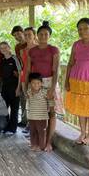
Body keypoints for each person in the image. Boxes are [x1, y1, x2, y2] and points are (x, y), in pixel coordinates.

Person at [25, 21, 63, 152]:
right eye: (40, 34)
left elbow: (56, 69)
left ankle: (48, 142)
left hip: (50, 82)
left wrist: (52, 88)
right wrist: (26, 86)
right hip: (36, 84)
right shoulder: (32, 51)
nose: (43, 36)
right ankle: (38, 140)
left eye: (46, 34)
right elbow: (28, 70)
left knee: (52, 113)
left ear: (49, 36)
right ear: (37, 36)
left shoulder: (54, 49)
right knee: (40, 112)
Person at [65, 18, 89, 145]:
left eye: (86, 28)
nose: (82, 31)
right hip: (76, 81)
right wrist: (66, 81)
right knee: (80, 107)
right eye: (80, 29)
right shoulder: (76, 44)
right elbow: (70, 63)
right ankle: (82, 133)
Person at [0, 42, 21, 134]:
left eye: (5, 47)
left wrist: (18, 88)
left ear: (9, 48)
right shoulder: (3, 60)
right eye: (1, 48)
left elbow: (20, 73)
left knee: (14, 109)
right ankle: (5, 126)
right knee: (4, 108)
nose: (3, 49)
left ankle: (13, 128)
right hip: (5, 87)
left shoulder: (14, 58)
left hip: (14, 87)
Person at [19, 27, 38, 128]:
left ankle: (35, 125)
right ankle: (29, 124)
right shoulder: (22, 51)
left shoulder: (39, 47)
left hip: (36, 78)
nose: (27, 37)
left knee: (37, 102)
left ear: (34, 35)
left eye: (29, 34)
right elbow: (23, 66)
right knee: (28, 101)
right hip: (25, 77)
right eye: (25, 35)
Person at [27, 73, 49, 151]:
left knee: (41, 133)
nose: (36, 85)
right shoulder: (29, 92)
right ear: (30, 84)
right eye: (33, 83)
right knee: (33, 132)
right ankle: (34, 145)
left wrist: (50, 108)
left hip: (42, 117)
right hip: (32, 117)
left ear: (41, 83)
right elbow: (28, 102)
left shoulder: (45, 92)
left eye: (38, 83)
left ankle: (41, 146)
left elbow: (50, 101)